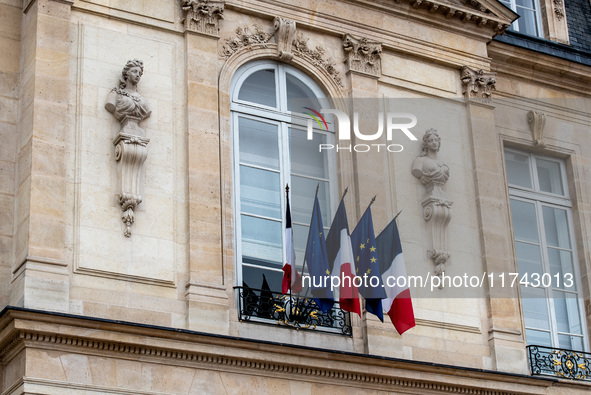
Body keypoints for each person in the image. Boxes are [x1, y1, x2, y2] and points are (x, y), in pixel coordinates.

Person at [412, 129, 449, 195]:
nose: (434, 142)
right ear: (426, 144)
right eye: (430, 141)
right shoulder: (420, 161)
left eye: (436, 140)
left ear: (439, 142)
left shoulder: (443, 164)